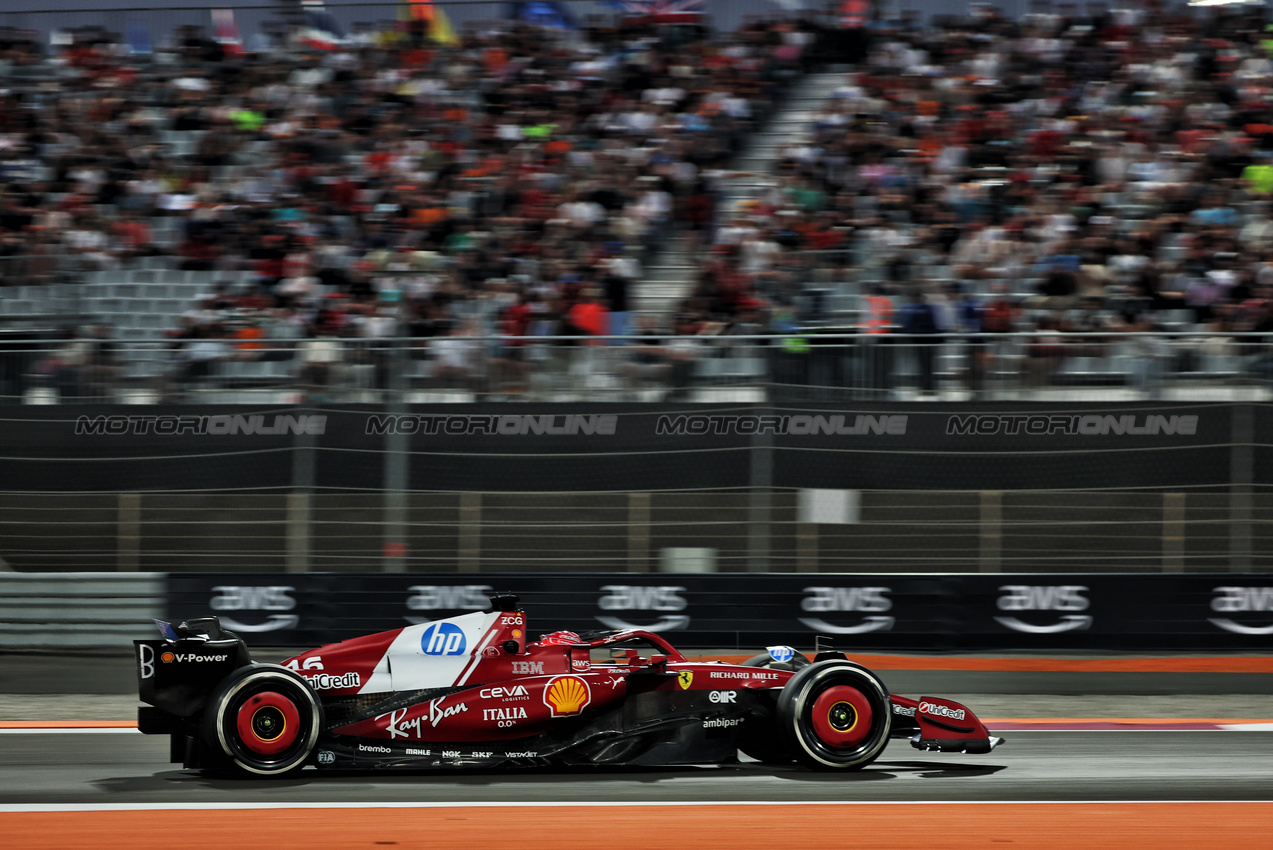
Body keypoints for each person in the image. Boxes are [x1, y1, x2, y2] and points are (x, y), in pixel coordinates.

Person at [897, 287, 944, 395]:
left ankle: (925, 388)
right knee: (929, 366)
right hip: (930, 341)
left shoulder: (914, 309)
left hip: (920, 342)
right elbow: (937, 326)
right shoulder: (930, 308)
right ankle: (930, 388)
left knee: (923, 366)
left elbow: (908, 326)